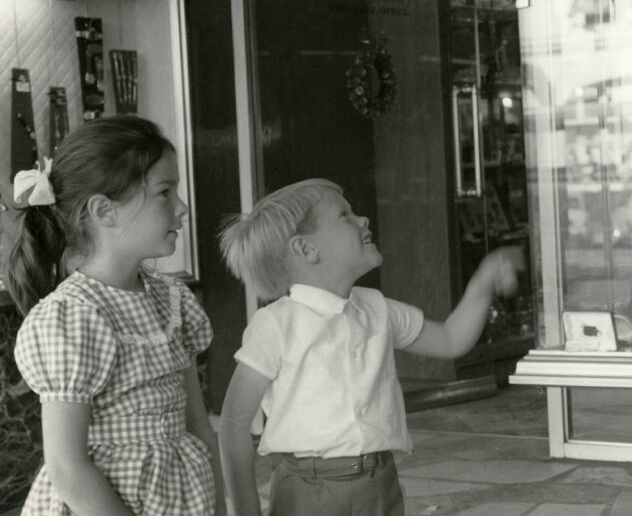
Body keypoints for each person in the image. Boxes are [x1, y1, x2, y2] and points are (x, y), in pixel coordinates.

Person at [217, 178, 524, 516]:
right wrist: (246, 510)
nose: (362, 219)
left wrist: (483, 281)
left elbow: (452, 339)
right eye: (344, 215)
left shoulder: (377, 308)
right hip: (308, 492)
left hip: (380, 484)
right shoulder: (275, 325)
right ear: (306, 249)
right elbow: (233, 422)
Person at [5, 115, 225, 516]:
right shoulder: (72, 317)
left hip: (181, 500)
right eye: (164, 192)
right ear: (105, 211)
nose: (182, 207)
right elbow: (67, 467)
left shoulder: (173, 301)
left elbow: (198, 425)